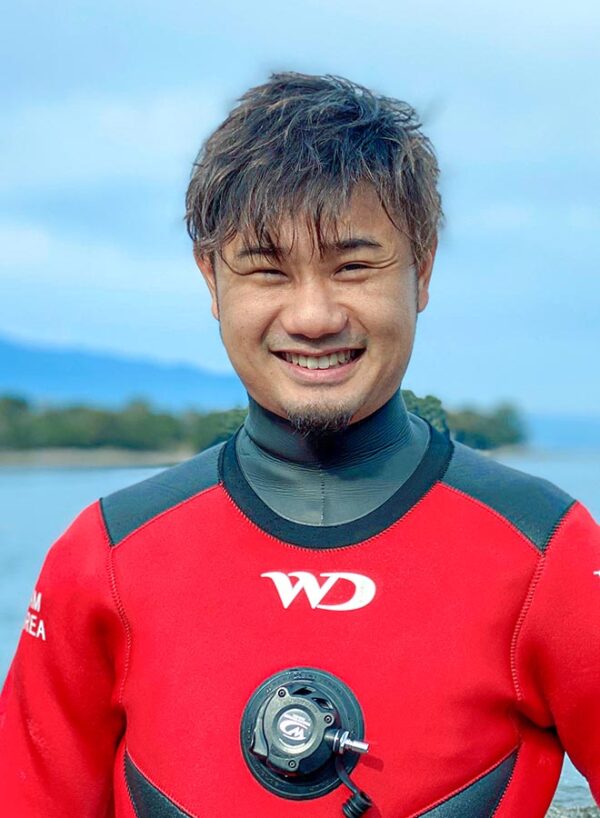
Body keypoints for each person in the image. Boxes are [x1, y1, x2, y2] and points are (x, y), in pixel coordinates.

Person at [1, 72, 598, 818]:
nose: (314, 317)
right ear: (211, 281)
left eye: (354, 266)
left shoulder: (545, 553)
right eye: (266, 270)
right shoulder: (108, 559)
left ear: (422, 270)